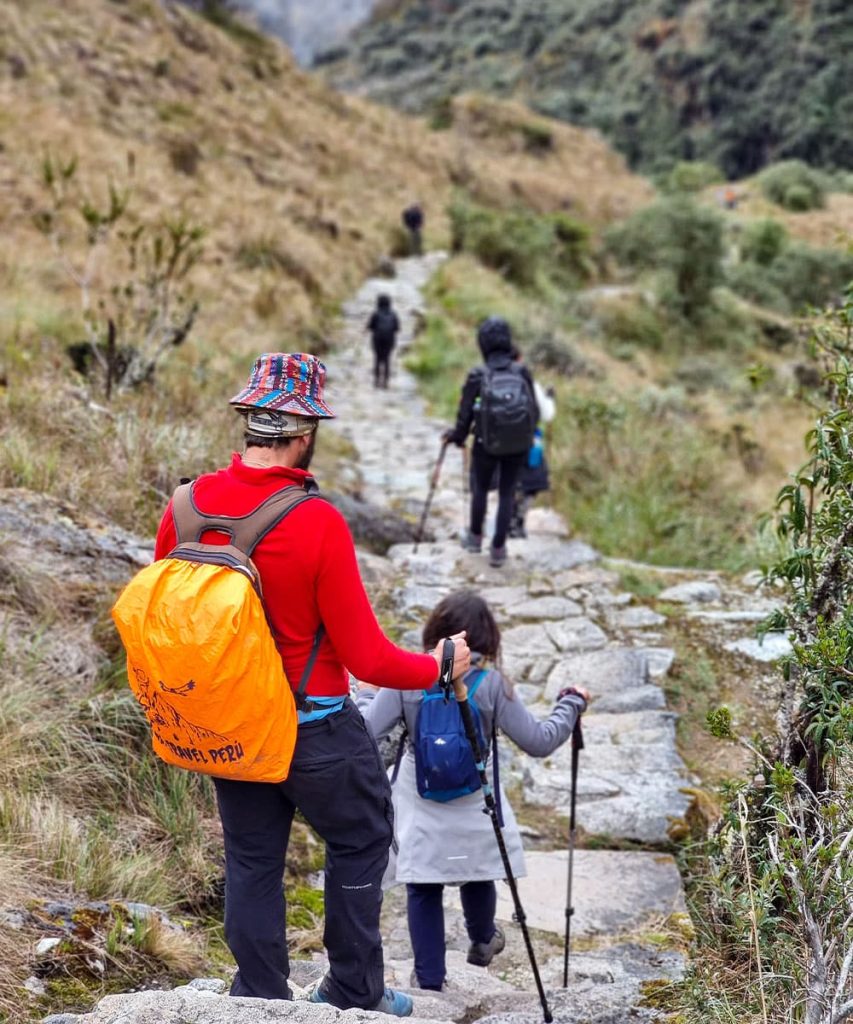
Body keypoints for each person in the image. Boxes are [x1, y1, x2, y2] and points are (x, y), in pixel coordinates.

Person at [153, 352, 471, 1016]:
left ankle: (260, 994)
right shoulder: (315, 519)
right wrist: (441, 665)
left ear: (249, 419)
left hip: (226, 724)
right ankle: (352, 988)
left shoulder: (183, 509)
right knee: (360, 837)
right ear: (306, 432)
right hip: (313, 727)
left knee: (249, 858)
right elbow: (369, 660)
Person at [356, 590, 589, 992]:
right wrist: (570, 704)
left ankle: (429, 984)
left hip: (420, 794)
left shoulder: (406, 679)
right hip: (475, 799)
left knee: (423, 886)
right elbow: (539, 741)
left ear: (434, 630)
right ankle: (483, 940)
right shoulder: (492, 685)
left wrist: (362, 693)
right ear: (488, 638)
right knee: (475, 869)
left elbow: (364, 732)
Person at [444, 316, 538, 568]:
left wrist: (458, 437)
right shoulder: (521, 372)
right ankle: (498, 548)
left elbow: (464, 414)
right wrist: (526, 437)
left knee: (481, 489)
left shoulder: (478, 374)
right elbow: (534, 410)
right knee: (507, 492)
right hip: (518, 443)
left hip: (486, 442)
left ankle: (475, 538)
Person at [367, 294, 400, 389]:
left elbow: (370, 327)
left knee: (377, 358)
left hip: (377, 339)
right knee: (386, 359)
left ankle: (377, 381)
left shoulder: (376, 314)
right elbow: (397, 328)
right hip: (389, 339)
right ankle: (385, 382)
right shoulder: (393, 314)